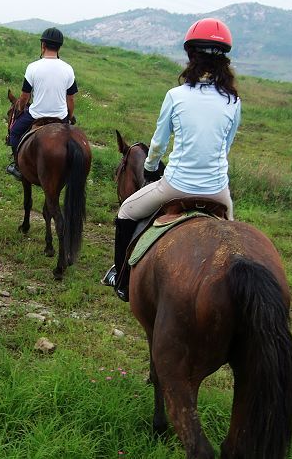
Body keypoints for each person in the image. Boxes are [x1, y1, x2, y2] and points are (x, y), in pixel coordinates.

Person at [102, 18, 241, 301]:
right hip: (217, 190)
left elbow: (158, 143)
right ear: (224, 60)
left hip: (176, 186)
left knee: (126, 212)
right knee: (234, 239)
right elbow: (225, 148)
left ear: (191, 56)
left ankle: (120, 277)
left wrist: (151, 168)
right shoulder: (233, 101)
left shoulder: (176, 96)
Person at [6, 27, 79, 179]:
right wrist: (69, 116)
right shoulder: (68, 69)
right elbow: (71, 99)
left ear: (43, 45)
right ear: (59, 47)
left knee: (14, 133)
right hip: (61, 117)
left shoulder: (33, 67)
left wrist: (20, 108)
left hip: (36, 115)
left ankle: (17, 166)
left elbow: (25, 97)